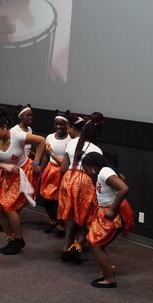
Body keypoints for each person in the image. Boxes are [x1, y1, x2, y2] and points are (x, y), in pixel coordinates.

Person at [0, 106, 45, 255]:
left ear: (4, 127)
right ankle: (11, 239)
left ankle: (19, 240)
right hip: (7, 173)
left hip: (23, 172)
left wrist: (36, 163)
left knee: (10, 207)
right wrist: (4, 165)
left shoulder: (17, 136)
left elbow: (42, 142)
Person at [81, 152, 134, 288]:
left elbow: (124, 188)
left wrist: (112, 209)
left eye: (86, 169)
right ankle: (107, 271)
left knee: (96, 244)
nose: (86, 172)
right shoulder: (103, 171)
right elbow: (122, 178)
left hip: (111, 211)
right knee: (94, 241)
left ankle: (110, 279)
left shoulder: (104, 172)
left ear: (93, 167)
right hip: (106, 209)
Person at [58, 112, 104, 264]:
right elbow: (96, 174)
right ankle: (77, 247)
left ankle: (66, 248)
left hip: (68, 180)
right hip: (84, 182)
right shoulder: (97, 150)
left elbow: (63, 168)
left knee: (69, 216)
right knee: (87, 217)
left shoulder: (72, 143)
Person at [39, 110, 71, 236]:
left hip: (63, 172)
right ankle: (53, 220)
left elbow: (67, 161)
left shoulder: (70, 139)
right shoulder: (49, 137)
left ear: (67, 125)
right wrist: (41, 171)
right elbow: (46, 156)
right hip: (50, 171)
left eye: (61, 124)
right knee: (47, 201)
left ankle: (61, 225)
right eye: (56, 124)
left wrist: (52, 153)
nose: (58, 127)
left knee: (61, 202)